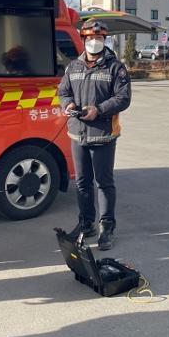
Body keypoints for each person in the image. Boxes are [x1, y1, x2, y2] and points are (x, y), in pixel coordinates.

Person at [57, 20, 131, 250]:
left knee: (104, 183)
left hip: (103, 135)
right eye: (90, 38)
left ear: (104, 40)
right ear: (84, 40)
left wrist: (98, 110)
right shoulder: (73, 67)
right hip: (78, 135)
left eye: (99, 38)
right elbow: (63, 91)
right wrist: (68, 104)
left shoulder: (115, 68)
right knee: (82, 183)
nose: (94, 42)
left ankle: (106, 227)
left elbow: (123, 98)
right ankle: (86, 223)